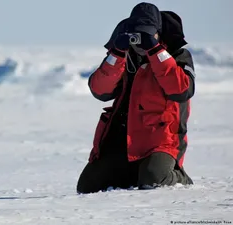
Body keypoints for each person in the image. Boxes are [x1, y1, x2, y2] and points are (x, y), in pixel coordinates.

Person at [76, 2, 196, 193]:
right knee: (87, 187)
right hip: (123, 138)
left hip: (161, 140)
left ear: (159, 33)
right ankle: (137, 173)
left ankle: (179, 177)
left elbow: (181, 89)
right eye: (137, 34)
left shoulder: (177, 55)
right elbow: (100, 91)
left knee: (153, 180)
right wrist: (117, 53)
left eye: (147, 34)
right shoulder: (123, 55)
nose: (140, 41)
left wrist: (155, 51)